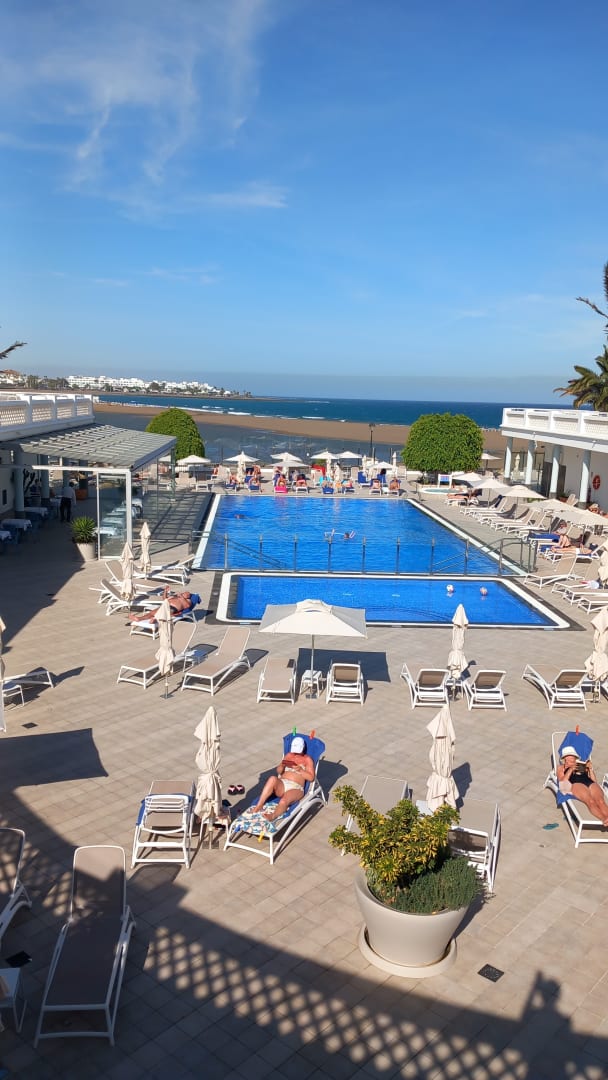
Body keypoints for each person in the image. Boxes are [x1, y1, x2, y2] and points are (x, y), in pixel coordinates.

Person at [250, 736, 315, 821]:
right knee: (272, 778)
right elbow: (279, 771)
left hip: (296, 788)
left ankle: (273, 816)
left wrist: (301, 770)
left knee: (283, 801)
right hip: (283, 784)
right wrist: (282, 765)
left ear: (302, 748)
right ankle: (259, 805)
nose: (295, 753)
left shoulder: (307, 759)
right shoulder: (289, 755)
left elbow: (311, 778)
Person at [557, 748, 608, 826]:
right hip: (577, 784)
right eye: (568, 756)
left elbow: (594, 781)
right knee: (590, 801)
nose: (570, 758)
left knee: (600, 801)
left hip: (589, 782)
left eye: (572, 756)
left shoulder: (581, 765)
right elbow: (562, 783)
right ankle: (604, 819)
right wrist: (570, 769)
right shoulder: (561, 768)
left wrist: (590, 769)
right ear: (565, 758)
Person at [128, 588, 200, 623]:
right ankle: (139, 619)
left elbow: (187, 606)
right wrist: (165, 591)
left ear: (188, 596)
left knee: (164, 614)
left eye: (187, 594)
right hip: (165, 605)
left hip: (172, 608)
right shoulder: (176, 597)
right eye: (185, 593)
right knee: (151, 613)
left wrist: (181, 596)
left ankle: (155, 619)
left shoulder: (188, 601)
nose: (186, 593)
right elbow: (164, 598)